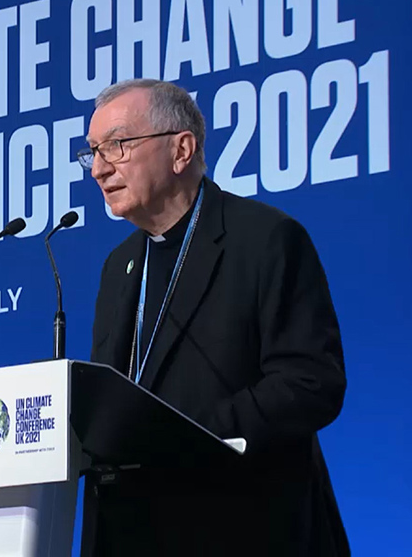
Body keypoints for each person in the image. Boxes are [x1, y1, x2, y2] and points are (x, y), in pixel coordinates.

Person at [77, 79, 349, 556]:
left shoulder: (266, 240)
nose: (99, 169)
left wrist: (190, 433)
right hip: (135, 530)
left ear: (181, 150)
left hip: (243, 525)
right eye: (93, 152)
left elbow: (310, 383)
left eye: (117, 146)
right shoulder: (118, 268)